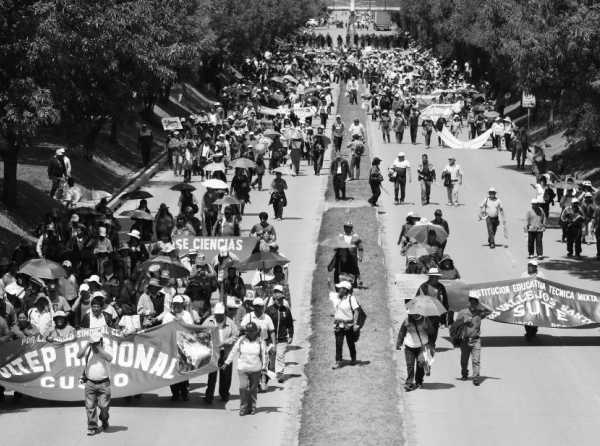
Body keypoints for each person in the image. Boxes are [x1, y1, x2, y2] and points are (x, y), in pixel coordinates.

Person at [223, 322, 267, 416]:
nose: (249, 333)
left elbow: (264, 355)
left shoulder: (260, 341)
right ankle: (243, 408)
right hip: (243, 368)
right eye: (247, 331)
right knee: (243, 387)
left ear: (256, 331)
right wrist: (227, 362)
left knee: (253, 389)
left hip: (256, 369)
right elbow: (233, 351)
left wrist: (264, 368)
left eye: (251, 331)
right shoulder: (241, 340)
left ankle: (252, 408)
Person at [451, 294, 492, 386]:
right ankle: (464, 373)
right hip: (465, 340)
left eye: (475, 303)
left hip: (476, 340)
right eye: (471, 303)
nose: (473, 305)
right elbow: (455, 325)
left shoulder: (479, 313)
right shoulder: (462, 312)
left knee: (476, 360)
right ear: (468, 303)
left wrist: (482, 304)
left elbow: (490, 311)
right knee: (464, 360)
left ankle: (476, 377)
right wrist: (463, 321)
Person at [77, 330, 113, 435]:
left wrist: (98, 348)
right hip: (90, 383)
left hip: (104, 383)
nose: (94, 345)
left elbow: (109, 358)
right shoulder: (88, 349)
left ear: (101, 341)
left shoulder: (106, 347)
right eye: (93, 342)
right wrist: (88, 344)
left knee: (104, 406)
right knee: (90, 406)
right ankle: (92, 426)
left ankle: (104, 419)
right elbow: (78, 355)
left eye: (97, 342)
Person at [202, 302, 238, 403]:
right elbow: (201, 332)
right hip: (213, 352)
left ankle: (224, 394)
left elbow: (236, 335)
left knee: (226, 375)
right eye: (217, 314)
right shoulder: (208, 321)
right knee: (212, 375)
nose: (218, 316)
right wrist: (209, 342)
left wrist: (226, 342)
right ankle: (209, 396)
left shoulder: (230, 322)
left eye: (220, 314)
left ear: (224, 313)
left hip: (226, 352)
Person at [396, 313, 434, 391]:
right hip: (409, 346)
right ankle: (409, 383)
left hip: (422, 347)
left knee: (421, 365)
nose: (412, 314)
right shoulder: (407, 321)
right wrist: (399, 343)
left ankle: (419, 382)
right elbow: (402, 332)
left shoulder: (425, 320)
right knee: (410, 365)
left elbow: (432, 332)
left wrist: (431, 344)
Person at [328, 280, 360, 369]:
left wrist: (355, 323)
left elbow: (356, 311)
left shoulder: (351, 299)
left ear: (345, 290)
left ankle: (353, 358)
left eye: (340, 288)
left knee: (350, 343)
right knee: (338, 344)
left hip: (348, 325)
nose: (338, 289)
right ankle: (338, 361)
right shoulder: (336, 297)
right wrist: (329, 283)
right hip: (338, 325)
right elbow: (330, 291)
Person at [265, 292, 294, 383]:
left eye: (282, 299)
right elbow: (265, 324)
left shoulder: (286, 310)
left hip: (282, 338)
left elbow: (290, 324)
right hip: (270, 339)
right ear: (274, 300)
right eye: (279, 299)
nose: (281, 301)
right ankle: (269, 372)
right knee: (271, 356)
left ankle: (280, 374)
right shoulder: (269, 310)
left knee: (280, 356)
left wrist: (291, 335)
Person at [416, 268, 449, 345]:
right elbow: (417, 300)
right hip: (425, 315)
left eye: (437, 277)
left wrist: (443, 319)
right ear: (430, 277)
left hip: (436, 316)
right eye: (435, 277)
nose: (437, 279)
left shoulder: (441, 287)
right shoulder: (424, 287)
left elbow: (445, 302)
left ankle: (431, 348)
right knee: (425, 336)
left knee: (433, 336)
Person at [520, 260, 545, 339]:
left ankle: (534, 330)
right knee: (527, 317)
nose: (532, 267)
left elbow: (545, 285)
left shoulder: (540, 275)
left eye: (534, 266)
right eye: (530, 266)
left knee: (535, 316)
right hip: (527, 299)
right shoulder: (524, 275)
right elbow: (519, 286)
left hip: (537, 299)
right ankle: (528, 332)